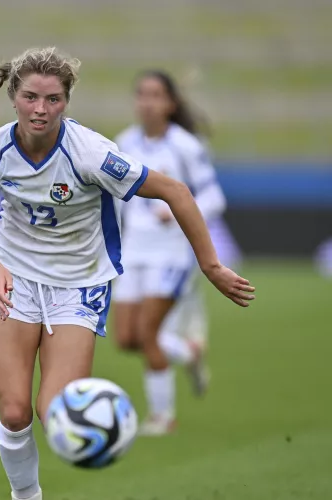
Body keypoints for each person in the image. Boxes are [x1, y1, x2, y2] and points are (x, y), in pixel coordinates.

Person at [0, 47, 255, 500]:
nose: (42, 109)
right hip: (12, 279)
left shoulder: (92, 153)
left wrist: (210, 265)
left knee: (54, 412)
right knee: (15, 411)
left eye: (54, 99)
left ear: (67, 101)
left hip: (77, 286)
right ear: (14, 97)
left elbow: (175, 190)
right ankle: (26, 496)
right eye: (32, 97)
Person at [112, 70, 229, 435]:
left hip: (171, 254)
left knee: (149, 333)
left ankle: (163, 417)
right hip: (133, 251)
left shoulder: (185, 146)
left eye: (156, 95)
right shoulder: (124, 142)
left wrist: (175, 208)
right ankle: (188, 351)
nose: (147, 102)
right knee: (126, 338)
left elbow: (214, 197)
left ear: (170, 103)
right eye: (141, 94)